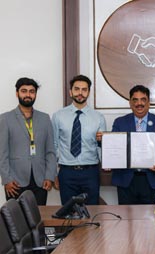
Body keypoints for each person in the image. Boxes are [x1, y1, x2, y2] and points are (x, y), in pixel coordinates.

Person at [111, 85, 155, 204]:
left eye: (143, 99)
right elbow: (115, 146)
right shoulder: (120, 122)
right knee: (126, 219)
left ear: (149, 102)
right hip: (126, 179)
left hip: (152, 179)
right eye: (135, 100)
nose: (139, 103)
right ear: (130, 103)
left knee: (152, 220)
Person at [0, 77, 56, 205]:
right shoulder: (5, 119)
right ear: (17, 93)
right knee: (16, 221)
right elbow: (2, 153)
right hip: (15, 181)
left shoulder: (45, 118)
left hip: (40, 180)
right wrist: (6, 179)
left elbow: (50, 151)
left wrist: (49, 176)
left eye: (31, 91)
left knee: (38, 219)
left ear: (35, 94)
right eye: (24, 91)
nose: (28, 95)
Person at [52, 75, 106, 205]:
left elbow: (101, 146)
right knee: (68, 213)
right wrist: (53, 173)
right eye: (77, 89)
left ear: (88, 92)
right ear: (71, 92)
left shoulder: (98, 117)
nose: (80, 93)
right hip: (66, 172)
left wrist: (107, 162)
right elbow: (54, 145)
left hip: (90, 172)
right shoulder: (58, 116)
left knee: (91, 212)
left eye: (84, 89)